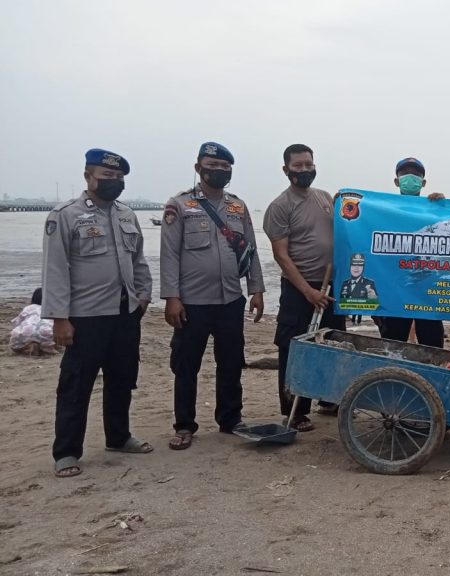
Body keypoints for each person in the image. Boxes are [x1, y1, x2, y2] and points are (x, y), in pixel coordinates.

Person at [43, 149, 153, 477]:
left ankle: (118, 437)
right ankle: (66, 452)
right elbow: (56, 269)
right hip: (85, 316)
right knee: (76, 385)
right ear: (88, 176)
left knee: (122, 379)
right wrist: (59, 318)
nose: (113, 182)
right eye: (107, 176)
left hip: (124, 312)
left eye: (119, 178)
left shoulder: (126, 215)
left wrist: (143, 295)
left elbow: (139, 261)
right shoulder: (65, 215)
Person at [161, 141, 265, 450]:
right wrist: (171, 297)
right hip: (191, 301)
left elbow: (250, 250)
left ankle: (230, 419)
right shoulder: (179, 205)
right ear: (198, 168)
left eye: (224, 167)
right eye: (212, 165)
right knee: (186, 364)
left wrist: (256, 289)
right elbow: (169, 254)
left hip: (231, 299)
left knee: (231, 362)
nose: (218, 171)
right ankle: (184, 425)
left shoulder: (238, 206)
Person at [264, 144, 346, 432]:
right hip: (300, 288)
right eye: (298, 166)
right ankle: (295, 412)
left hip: (330, 286)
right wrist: (308, 292)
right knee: (294, 348)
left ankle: (329, 400)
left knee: (333, 344)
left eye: (308, 164)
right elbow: (281, 255)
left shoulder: (324, 198)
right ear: (286, 169)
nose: (304, 170)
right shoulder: (280, 206)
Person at [377, 157, 446, 347]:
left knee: (432, 345)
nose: (410, 177)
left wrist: (442, 206)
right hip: (395, 289)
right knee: (393, 343)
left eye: (415, 174)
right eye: (405, 173)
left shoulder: (432, 208)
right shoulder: (384, 209)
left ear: (423, 182)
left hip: (427, 288)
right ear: (396, 181)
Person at [9, 288, 57, 355]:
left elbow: (17, 323)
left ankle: (29, 347)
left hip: (25, 334)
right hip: (46, 333)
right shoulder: (53, 309)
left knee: (14, 347)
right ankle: (44, 347)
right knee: (56, 340)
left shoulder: (29, 308)